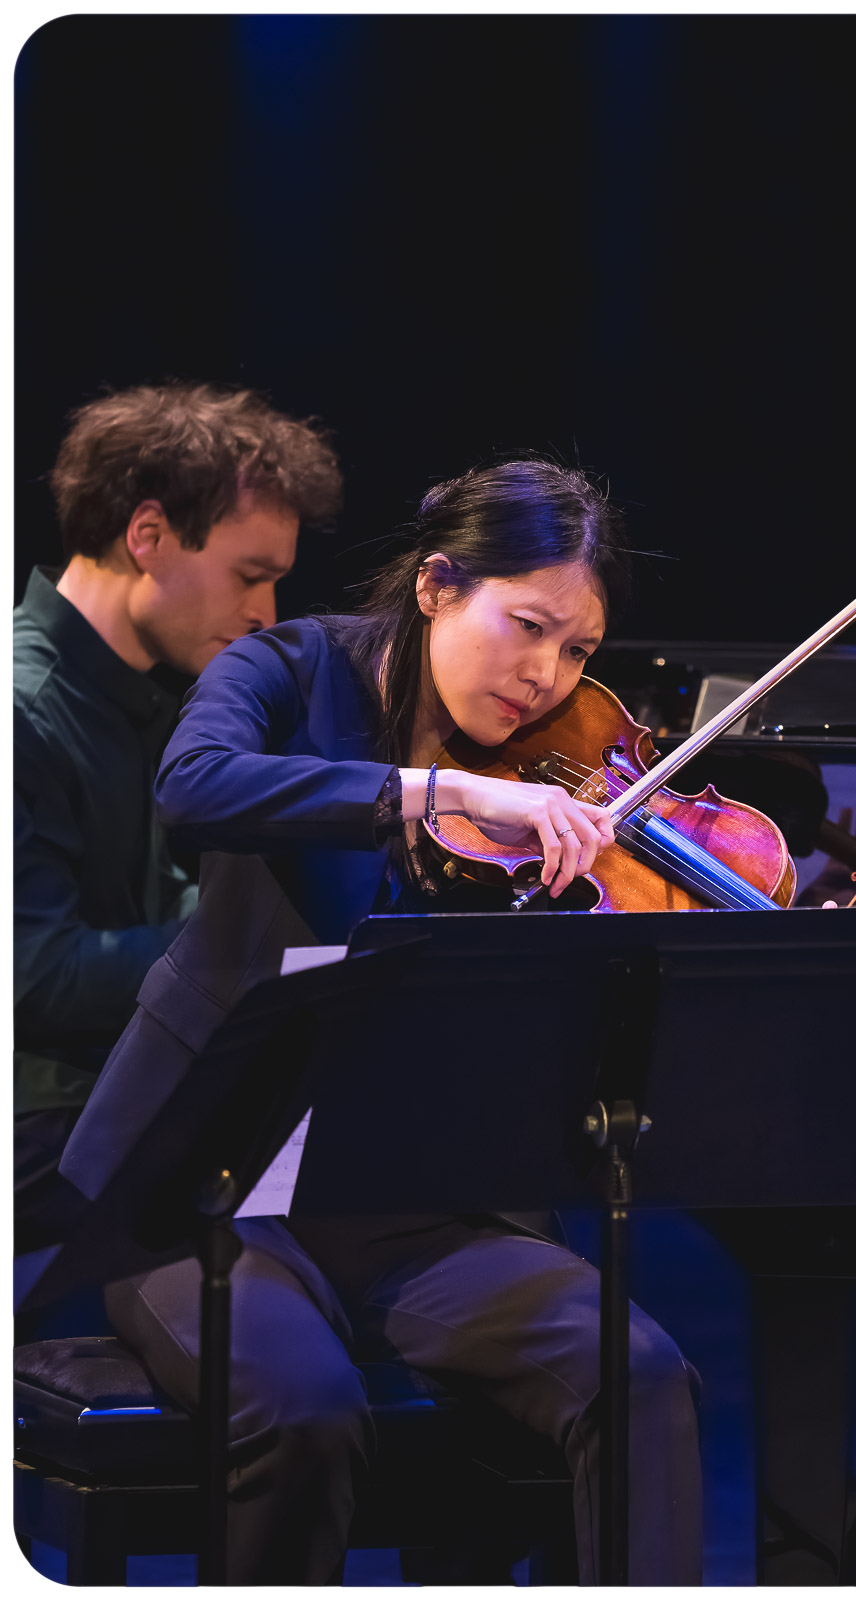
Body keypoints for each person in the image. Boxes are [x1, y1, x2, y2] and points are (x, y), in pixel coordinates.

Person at [60, 456, 704, 1584]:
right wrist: (442, 791)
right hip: (204, 1189)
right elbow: (196, 783)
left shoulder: (563, 775)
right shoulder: (287, 665)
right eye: (527, 626)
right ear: (436, 586)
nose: (547, 677)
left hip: (413, 1202)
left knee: (638, 1371)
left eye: (578, 651)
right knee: (302, 1407)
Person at [14, 382, 342, 1249]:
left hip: (129, 1094)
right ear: (148, 536)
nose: (266, 616)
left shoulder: (162, 698)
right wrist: (245, 928)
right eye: (250, 576)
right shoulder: (20, 710)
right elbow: (31, 978)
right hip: (44, 1124)